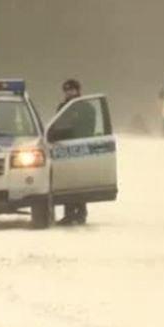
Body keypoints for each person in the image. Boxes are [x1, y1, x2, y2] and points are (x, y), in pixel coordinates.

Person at [57, 79, 93, 225]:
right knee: (67, 182)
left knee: (80, 182)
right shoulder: (62, 107)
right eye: (66, 91)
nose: (69, 93)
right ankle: (69, 213)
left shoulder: (87, 108)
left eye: (72, 90)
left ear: (78, 91)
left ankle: (81, 212)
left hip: (82, 147)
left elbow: (89, 128)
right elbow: (58, 126)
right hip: (65, 149)